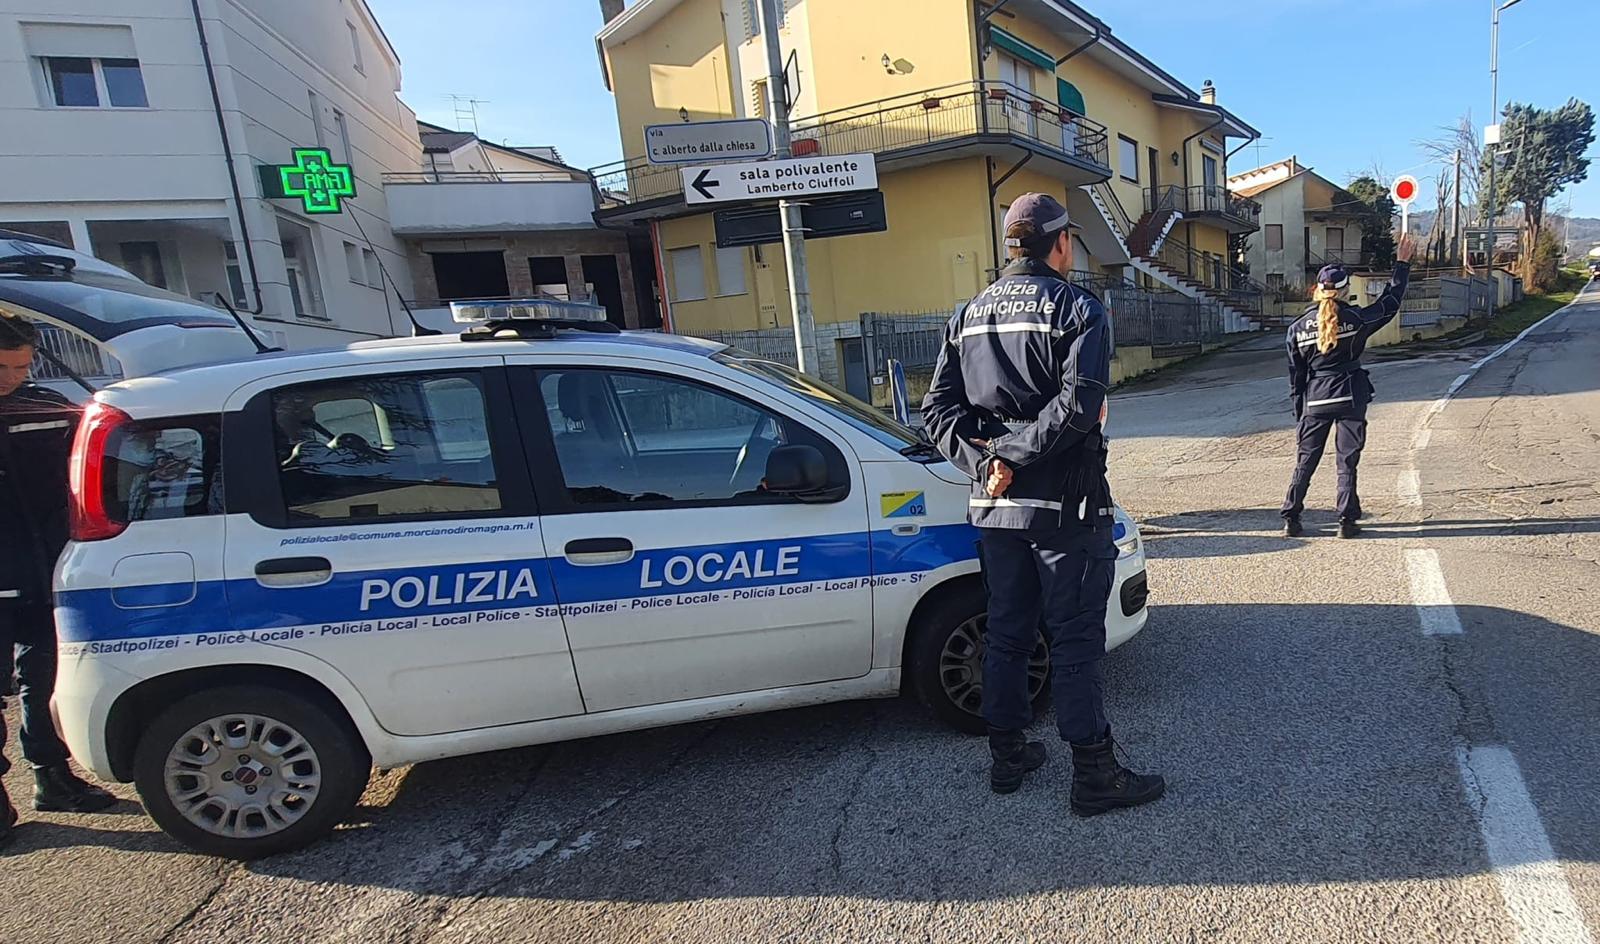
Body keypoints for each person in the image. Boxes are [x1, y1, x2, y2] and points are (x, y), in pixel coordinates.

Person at [922, 193, 1164, 816]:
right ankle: (1093, 774)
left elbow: (936, 411)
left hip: (996, 506)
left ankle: (1007, 757)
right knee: (1076, 638)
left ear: (1011, 245)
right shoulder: (1080, 308)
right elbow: (1079, 406)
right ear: (1060, 243)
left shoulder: (968, 313)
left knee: (1007, 632)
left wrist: (987, 463)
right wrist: (1015, 454)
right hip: (1066, 507)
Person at [0, 315, 117, 851]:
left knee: (42, 675)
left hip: (39, 571)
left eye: (21, 366)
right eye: (3, 367)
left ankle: (51, 776)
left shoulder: (42, 406)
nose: (13, 377)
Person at [1282, 235, 1416, 538]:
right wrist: (1402, 265)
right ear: (1344, 290)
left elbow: (1296, 377)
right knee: (1346, 462)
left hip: (1314, 400)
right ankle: (1346, 521)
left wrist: (1299, 412)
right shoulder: (1356, 318)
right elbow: (1389, 304)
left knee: (1305, 461)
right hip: (1350, 394)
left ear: (1317, 290)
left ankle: (1291, 517)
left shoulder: (1296, 329)